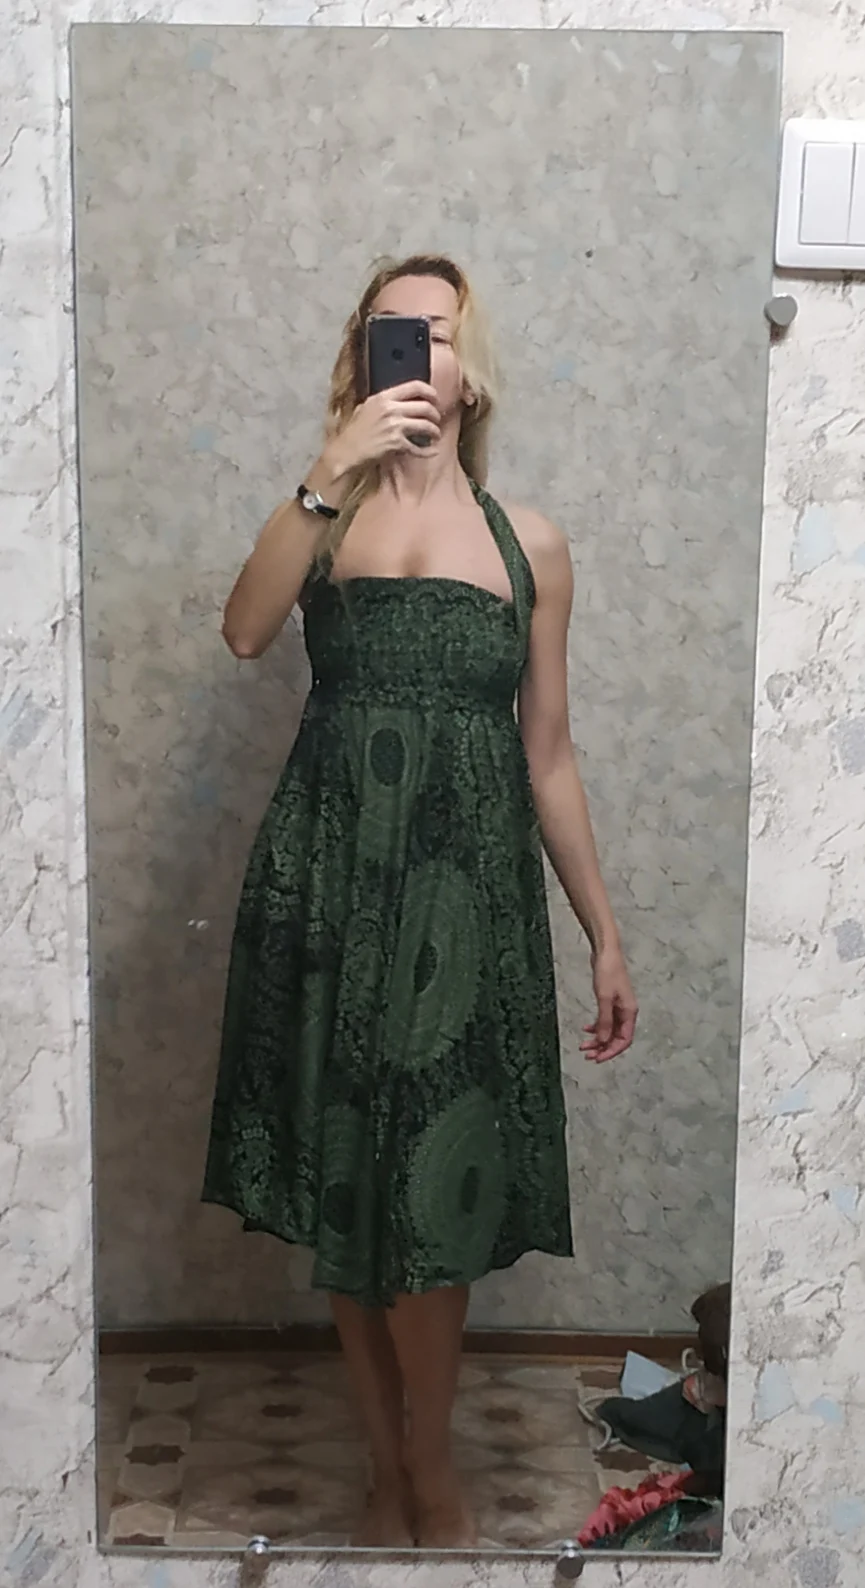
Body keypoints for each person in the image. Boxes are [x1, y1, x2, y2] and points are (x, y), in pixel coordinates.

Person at [202, 253, 638, 1550]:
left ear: (470, 371)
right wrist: (326, 468)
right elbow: (242, 631)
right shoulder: (324, 520)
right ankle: (382, 1459)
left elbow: (548, 757)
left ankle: (429, 1462)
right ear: (361, 360)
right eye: (387, 333)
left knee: (434, 1187)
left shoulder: (530, 545)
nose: (413, 353)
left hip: (468, 904)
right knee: (349, 1179)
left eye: (436, 334)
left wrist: (604, 933)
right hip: (331, 883)